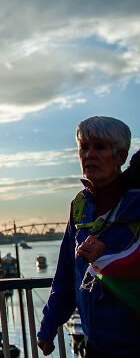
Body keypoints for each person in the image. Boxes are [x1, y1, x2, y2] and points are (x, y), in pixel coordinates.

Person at [37, 116, 140, 357]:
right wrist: (49, 325)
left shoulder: (136, 203)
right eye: (84, 147)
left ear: (121, 157)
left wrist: (108, 255)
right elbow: (65, 273)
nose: (89, 154)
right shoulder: (81, 204)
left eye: (100, 147)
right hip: (95, 344)